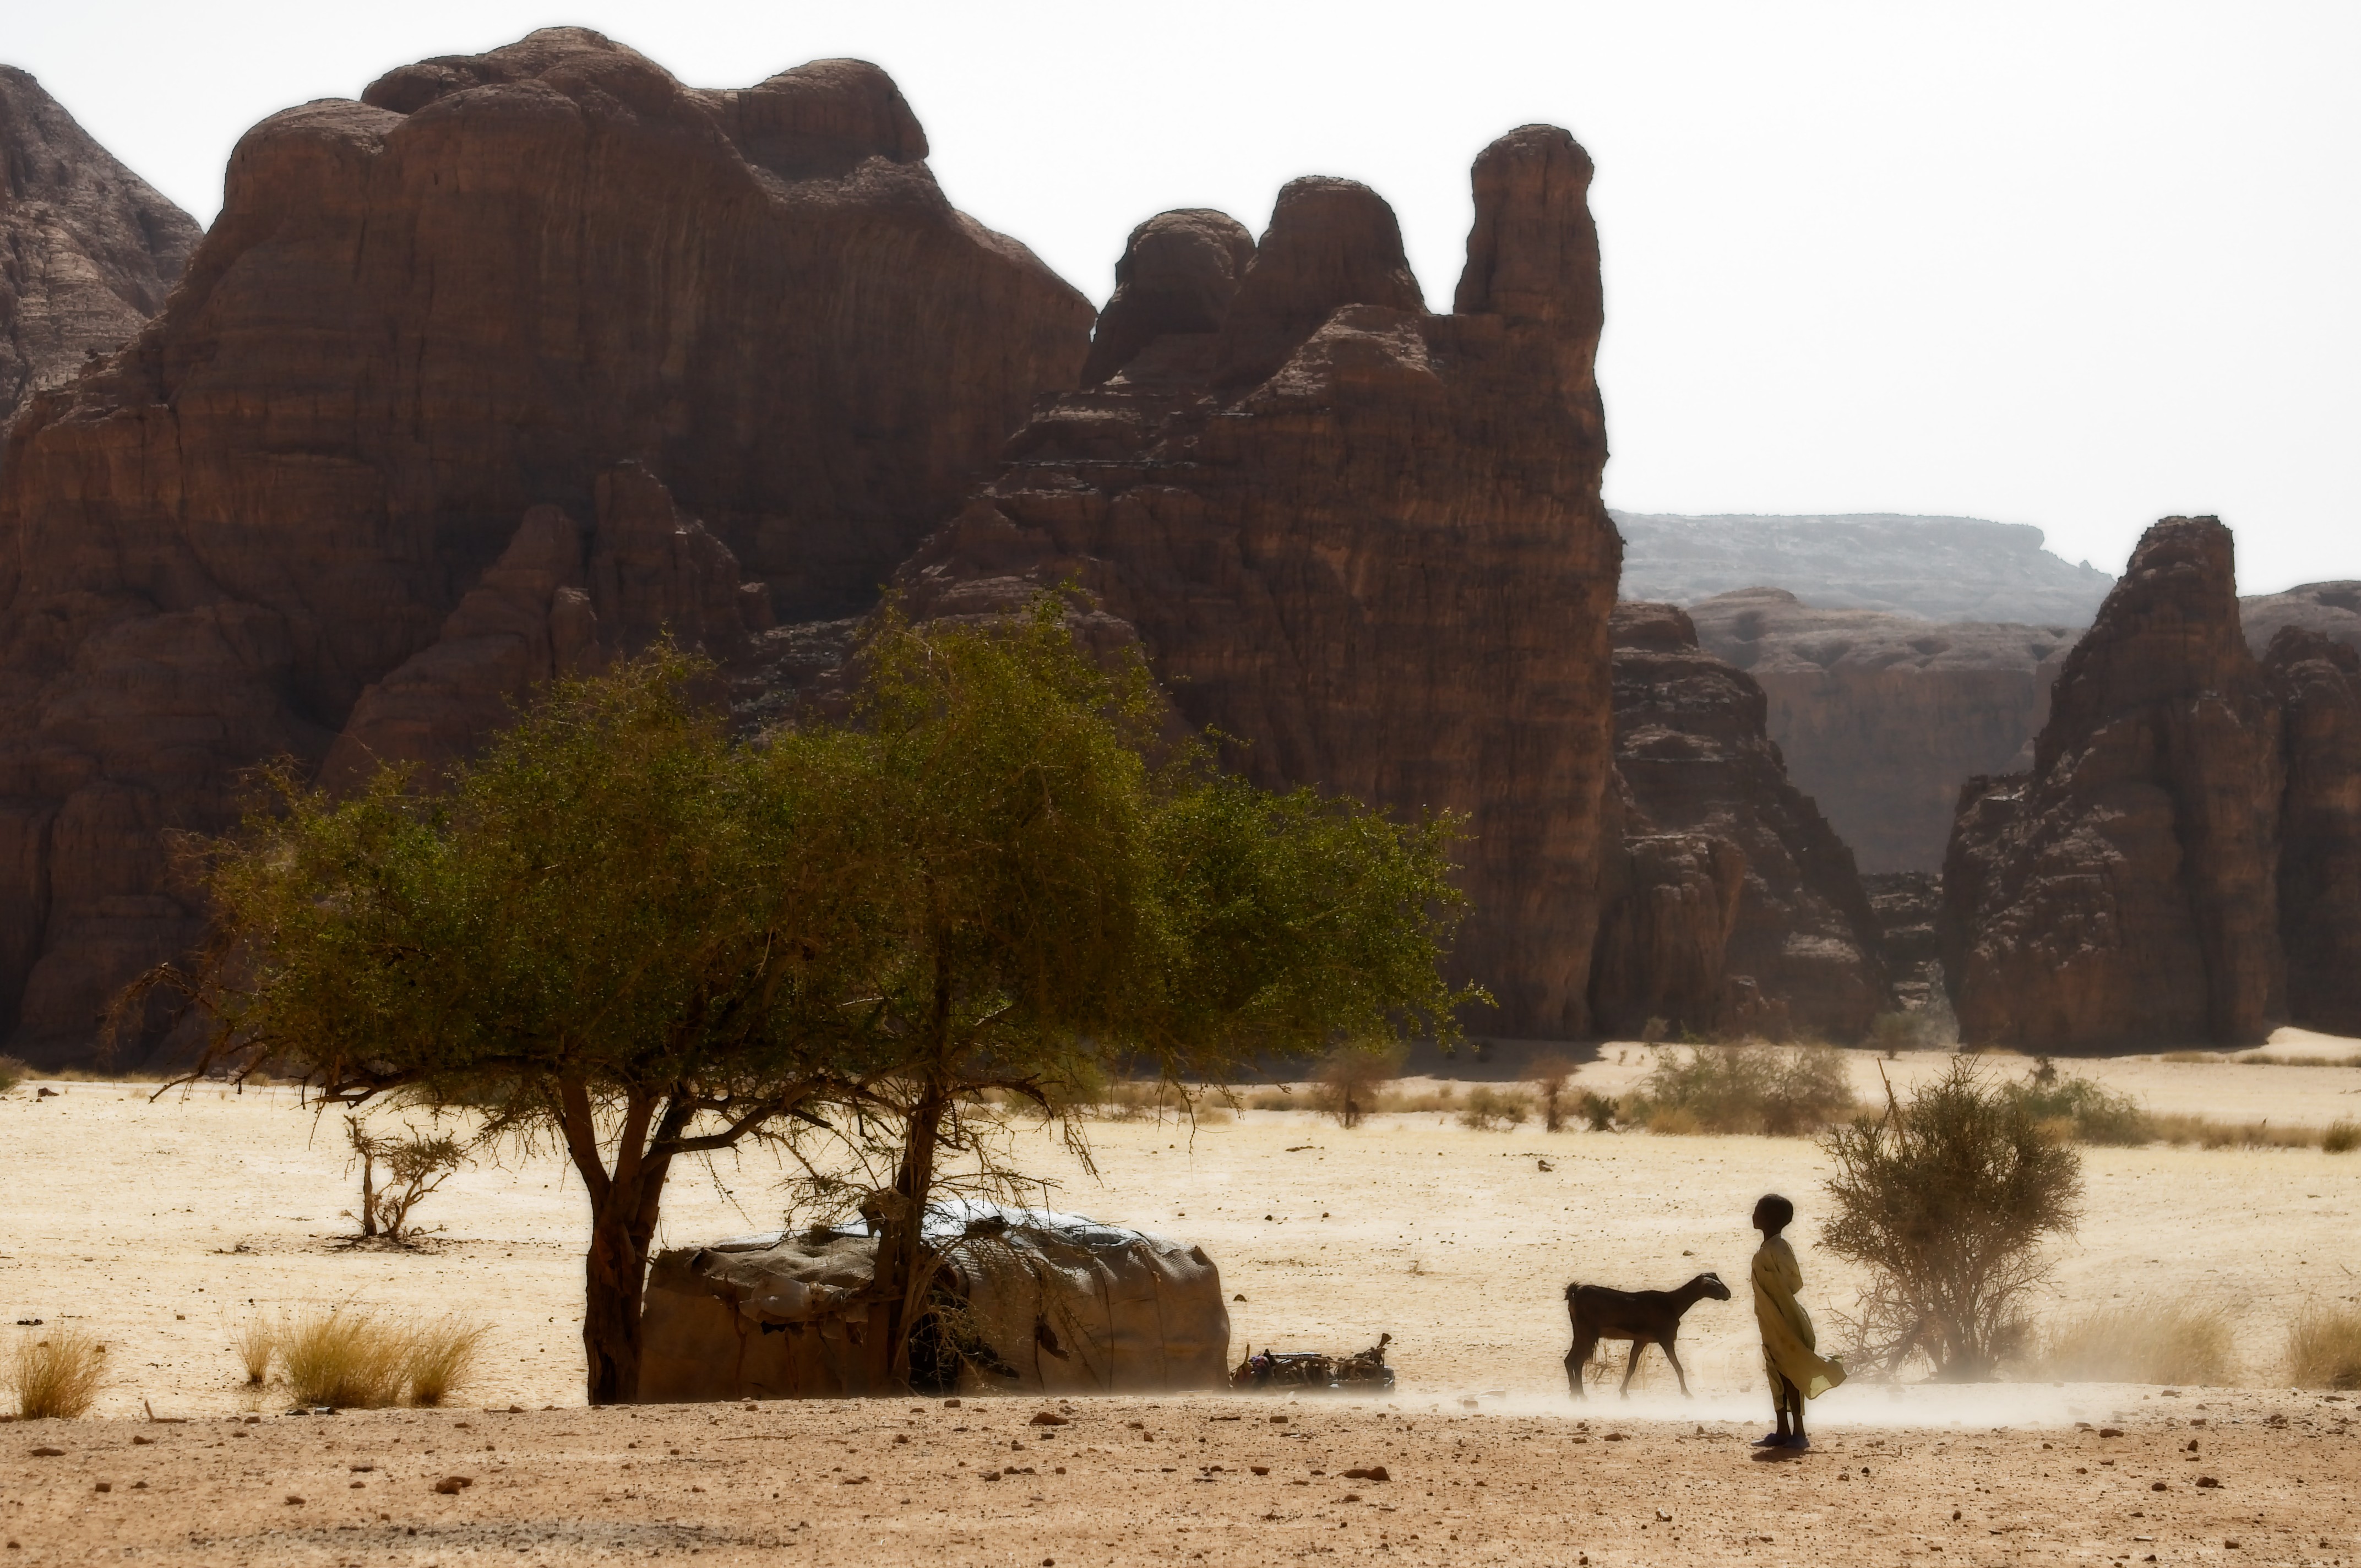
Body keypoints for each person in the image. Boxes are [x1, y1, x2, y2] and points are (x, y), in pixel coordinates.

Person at [1750, 1192, 1845, 1450]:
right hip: (1771, 1321)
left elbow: (1794, 1282)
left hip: (1786, 1320)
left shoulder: (1779, 1249)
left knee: (1791, 1373)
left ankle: (1799, 1433)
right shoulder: (1767, 1249)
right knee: (1777, 1372)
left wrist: (1779, 1303)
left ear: (1769, 1218)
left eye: (1758, 1210)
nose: (1753, 1214)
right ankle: (1782, 1431)